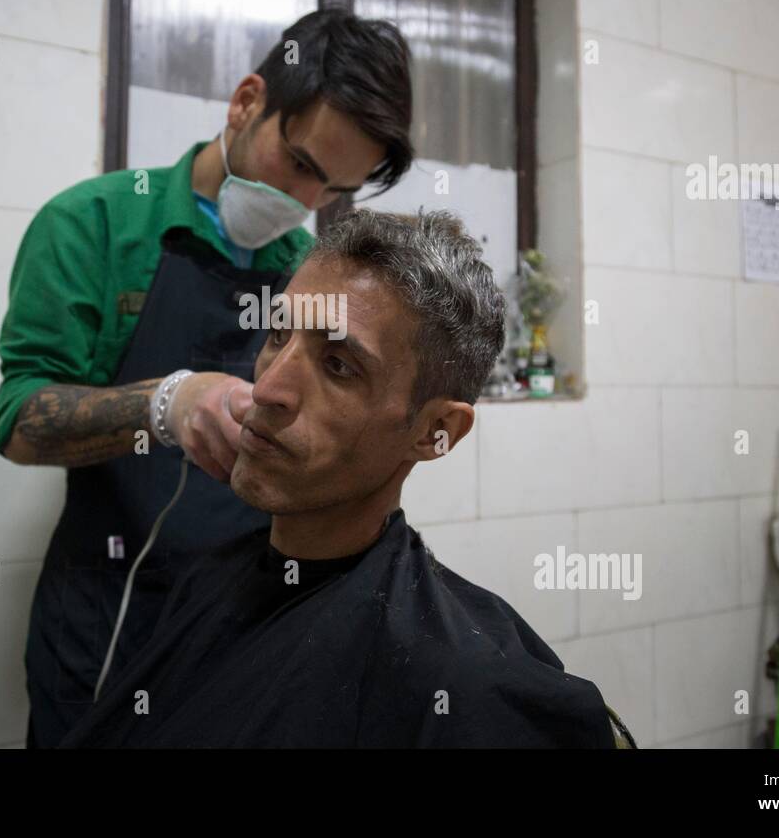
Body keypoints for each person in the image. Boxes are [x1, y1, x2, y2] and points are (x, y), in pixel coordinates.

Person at [0, 8, 415, 747]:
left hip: (250, 614)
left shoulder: (305, 274)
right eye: (303, 166)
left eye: (335, 190)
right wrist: (165, 405)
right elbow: (23, 421)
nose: (307, 206)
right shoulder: (93, 226)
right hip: (110, 615)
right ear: (247, 103)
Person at [58, 209, 619, 748]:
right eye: (278, 335)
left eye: (339, 366)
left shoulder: (467, 683)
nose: (269, 389)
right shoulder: (208, 582)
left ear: (435, 431)